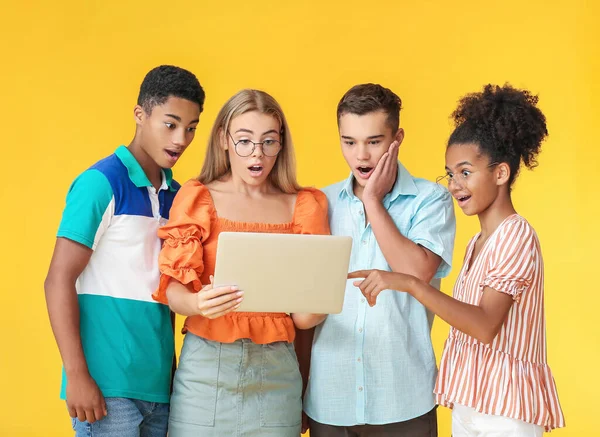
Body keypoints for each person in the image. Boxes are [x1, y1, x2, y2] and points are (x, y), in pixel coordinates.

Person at [350, 83, 565, 436]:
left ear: (500, 173)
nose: (454, 185)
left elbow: (483, 325)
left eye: (465, 172)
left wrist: (408, 283)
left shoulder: (516, 235)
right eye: (450, 174)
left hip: (505, 409)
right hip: (472, 401)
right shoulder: (478, 242)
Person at [152, 89, 329, 436]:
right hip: (206, 371)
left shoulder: (306, 205)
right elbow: (173, 289)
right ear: (224, 140)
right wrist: (197, 303)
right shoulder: (198, 197)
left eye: (269, 142)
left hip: (277, 372)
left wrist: (319, 303)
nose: (257, 153)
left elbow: (304, 318)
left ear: (281, 145)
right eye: (245, 141)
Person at [44, 65, 205, 437]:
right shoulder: (101, 184)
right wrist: (77, 375)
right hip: (106, 388)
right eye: (171, 123)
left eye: (192, 127)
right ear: (140, 114)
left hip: (160, 388)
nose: (181, 138)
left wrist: (172, 374)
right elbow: (57, 281)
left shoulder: (177, 197)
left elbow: (166, 290)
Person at [304, 83, 456, 436]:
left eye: (374, 141)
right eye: (349, 142)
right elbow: (304, 304)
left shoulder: (430, 200)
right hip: (330, 399)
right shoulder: (319, 203)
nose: (362, 156)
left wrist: (372, 201)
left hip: (404, 398)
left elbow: (416, 274)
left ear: (397, 138)